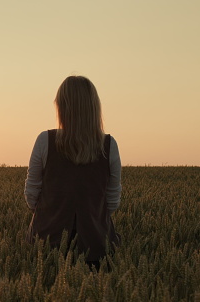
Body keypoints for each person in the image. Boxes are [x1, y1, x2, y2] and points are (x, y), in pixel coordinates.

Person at [24, 75, 122, 269]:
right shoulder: (110, 145)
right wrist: (90, 217)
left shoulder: (45, 141)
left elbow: (31, 194)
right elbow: (112, 200)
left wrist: (52, 215)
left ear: (62, 107)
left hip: (47, 245)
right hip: (97, 246)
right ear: (94, 107)